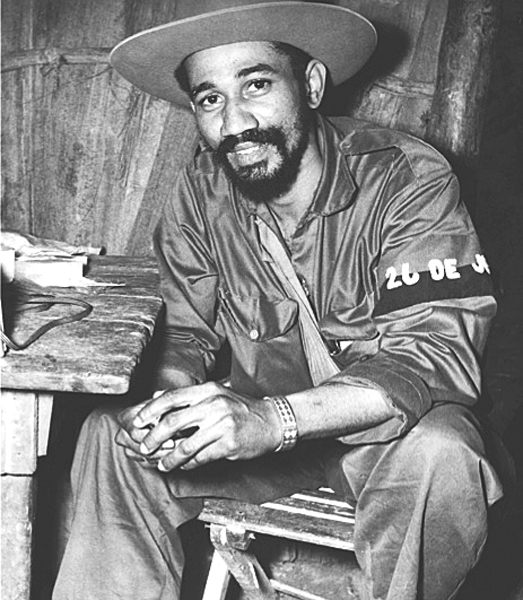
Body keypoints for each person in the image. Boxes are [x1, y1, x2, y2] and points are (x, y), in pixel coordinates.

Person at [52, 1, 504, 599]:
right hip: (261, 442)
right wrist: (164, 405)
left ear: (310, 86)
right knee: (112, 437)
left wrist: (275, 420)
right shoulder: (203, 192)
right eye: (210, 98)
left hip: (387, 440)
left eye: (257, 85)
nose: (235, 121)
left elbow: (435, 354)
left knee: (444, 453)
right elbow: (183, 333)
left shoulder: (406, 178)